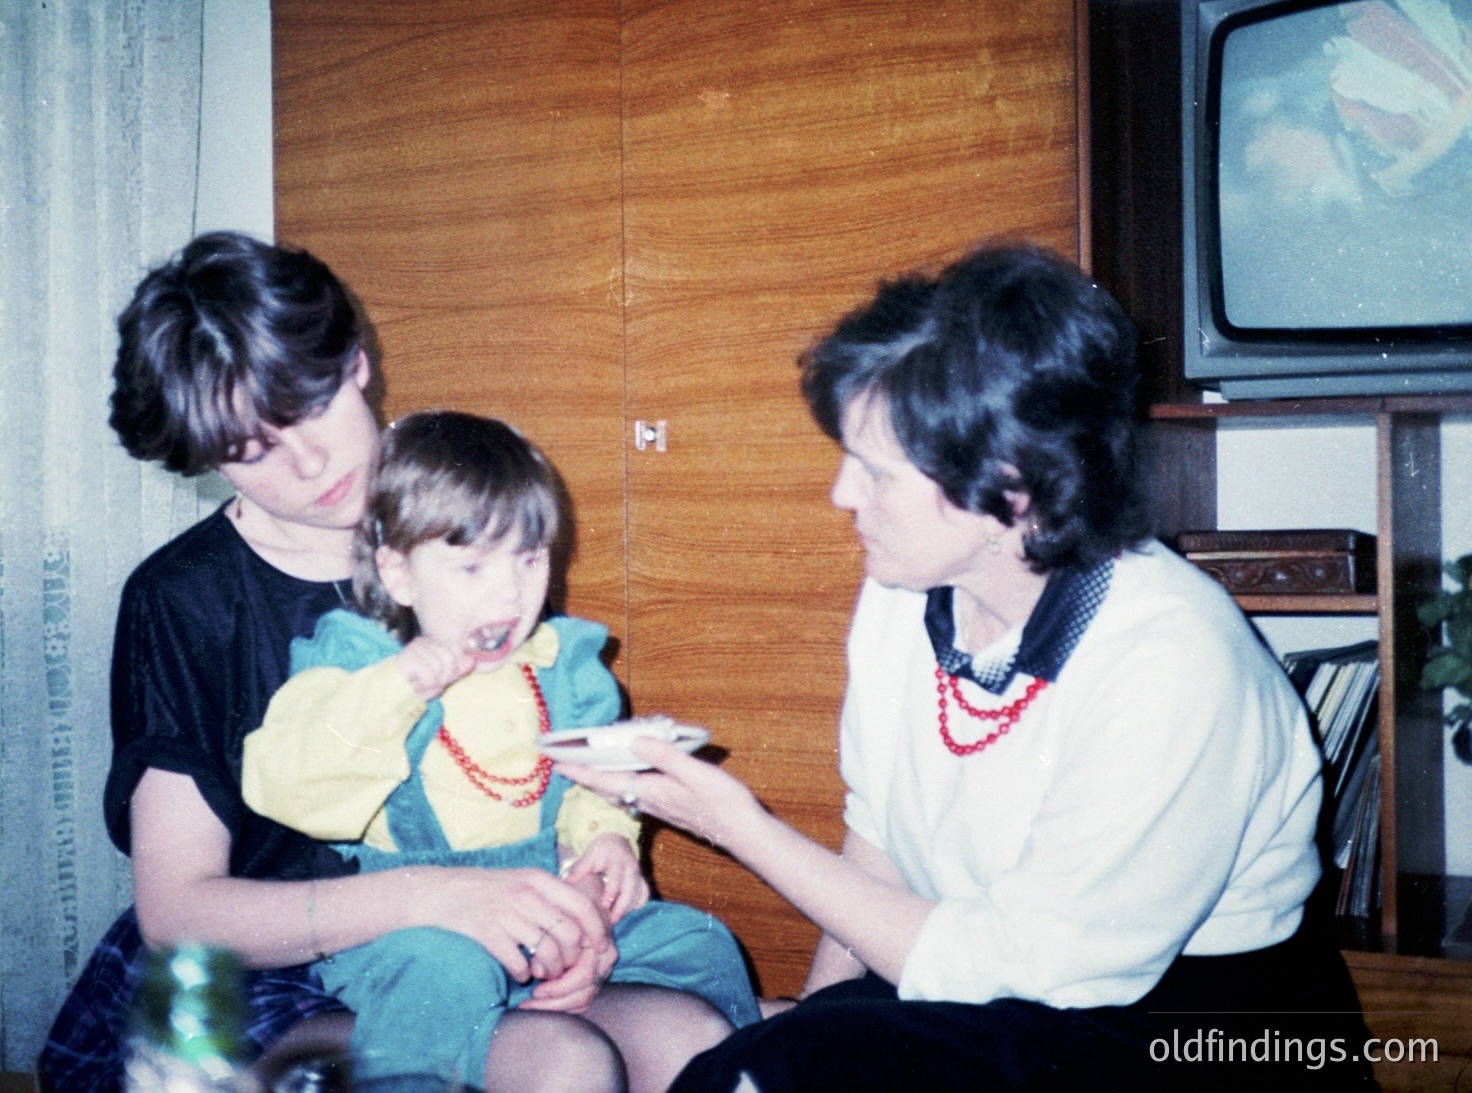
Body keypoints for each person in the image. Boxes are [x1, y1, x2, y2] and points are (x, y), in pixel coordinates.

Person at [559, 243, 1377, 1090]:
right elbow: (877, 842)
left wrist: (739, 827)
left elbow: (1038, 966)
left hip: (1203, 1032)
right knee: (748, 1065)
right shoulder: (906, 595)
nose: (842, 494)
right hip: (996, 984)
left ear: (1011, 488)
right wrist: (813, 1016)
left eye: (875, 471)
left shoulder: (1170, 659)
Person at [39, 232, 736, 1093]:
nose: (309, 462)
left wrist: (580, 900)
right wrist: (435, 897)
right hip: (272, 969)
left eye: (309, 403)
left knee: (692, 1038)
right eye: (249, 449)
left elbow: (530, 760)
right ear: (207, 459)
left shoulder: (456, 520)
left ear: (357, 363)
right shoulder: (183, 599)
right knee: (565, 1062)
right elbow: (179, 915)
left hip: (472, 930)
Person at [242, 409, 759, 1088]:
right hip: (414, 926)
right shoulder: (360, 664)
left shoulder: (559, 664)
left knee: (701, 943)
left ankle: (748, 1071)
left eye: (528, 557)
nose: (509, 591)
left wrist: (604, 845)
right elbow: (284, 783)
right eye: (472, 565)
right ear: (398, 575)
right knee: (442, 977)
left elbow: (594, 783)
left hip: (547, 897)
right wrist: (397, 687)